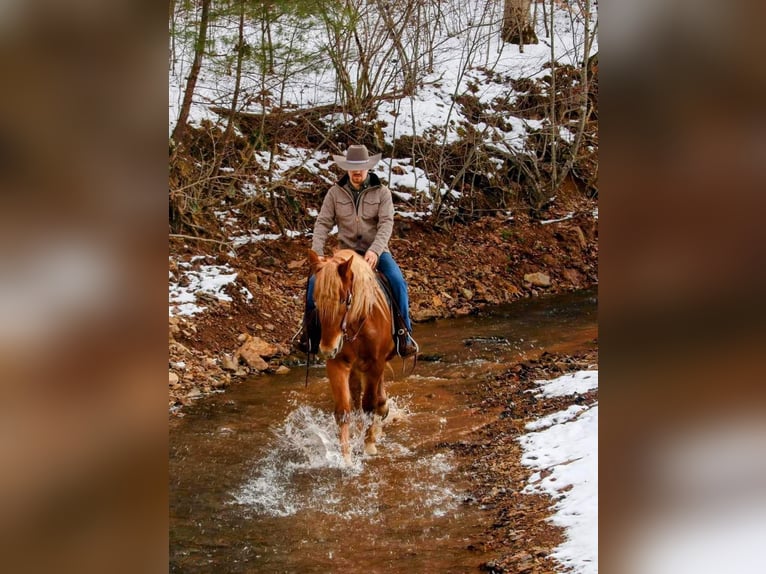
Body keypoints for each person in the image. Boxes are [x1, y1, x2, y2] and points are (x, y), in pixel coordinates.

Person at [294, 144, 419, 357]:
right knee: (315, 283)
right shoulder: (335, 193)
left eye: (361, 167)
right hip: (346, 253)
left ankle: (403, 335)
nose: (357, 171)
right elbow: (323, 222)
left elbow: (386, 224)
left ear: (368, 168)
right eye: (353, 167)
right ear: (347, 169)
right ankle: (310, 335)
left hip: (376, 251)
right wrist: (318, 252)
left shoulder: (382, 193)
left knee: (397, 281)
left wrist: (376, 251)